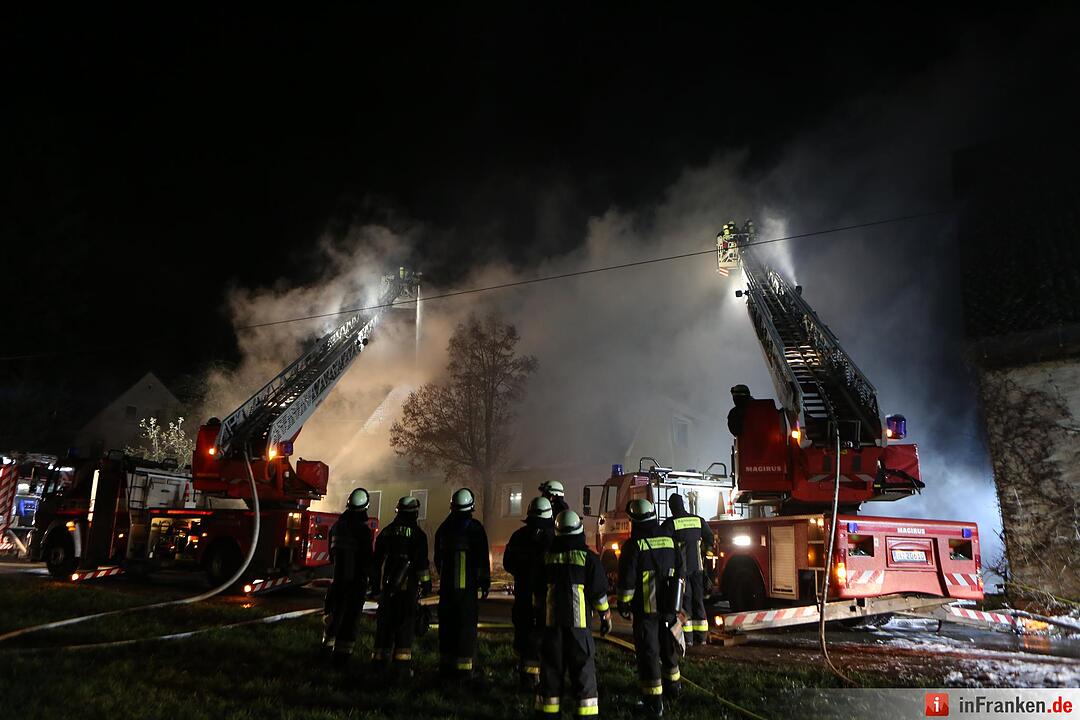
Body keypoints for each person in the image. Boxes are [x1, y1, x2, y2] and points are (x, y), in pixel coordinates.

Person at [535, 510, 611, 718]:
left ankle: (548, 715)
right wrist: (605, 616)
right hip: (579, 631)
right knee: (584, 676)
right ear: (579, 531)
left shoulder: (547, 558)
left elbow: (539, 594)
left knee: (550, 676)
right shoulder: (589, 559)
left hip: (552, 629)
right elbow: (598, 595)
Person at [617, 499, 684, 717]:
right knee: (668, 648)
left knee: (649, 653)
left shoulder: (634, 545)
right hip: (669, 607)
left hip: (646, 611)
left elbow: (627, 582)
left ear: (634, 520)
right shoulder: (669, 539)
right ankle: (673, 688)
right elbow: (680, 570)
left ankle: (653, 703)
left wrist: (623, 603)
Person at [371, 495, 432, 681]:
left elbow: (376, 562)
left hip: (388, 588)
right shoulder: (418, 535)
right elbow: (422, 564)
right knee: (405, 627)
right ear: (415, 512)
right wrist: (426, 583)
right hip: (407, 590)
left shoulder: (387, 532)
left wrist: (375, 586)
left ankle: (379, 666)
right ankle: (402, 670)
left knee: (385, 627)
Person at [434, 487, 490, 680]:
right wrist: (484, 582)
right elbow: (482, 559)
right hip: (467, 592)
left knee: (447, 627)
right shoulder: (475, 529)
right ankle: (465, 672)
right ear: (471, 506)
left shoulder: (443, 528)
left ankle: (445, 668)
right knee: (465, 629)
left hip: (448, 590)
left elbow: (437, 559)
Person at [503, 496, 556, 689]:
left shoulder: (519, 536)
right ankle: (541, 675)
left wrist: (522, 572)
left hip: (523, 594)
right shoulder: (555, 537)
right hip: (547, 597)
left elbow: (507, 563)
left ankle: (524, 672)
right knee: (543, 633)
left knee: (523, 630)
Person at [322, 487, 374, 669]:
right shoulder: (363, 532)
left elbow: (331, 553)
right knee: (349, 621)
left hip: (337, 583)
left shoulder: (336, 527)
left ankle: (325, 653)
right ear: (365, 507)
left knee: (333, 617)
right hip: (355, 584)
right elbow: (367, 560)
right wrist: (373, 585)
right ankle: (342, 660)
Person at [660, 493, 714, 646]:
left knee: (685, 603)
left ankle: (688, 639)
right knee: (699, 601)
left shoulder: (670, 524)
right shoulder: (698, 520)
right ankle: (702, 638)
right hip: (698, 569)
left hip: (681, 572)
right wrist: (706, 552)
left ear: (671, 507)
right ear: (683, 504)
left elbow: (662, 544)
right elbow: (710, 538)